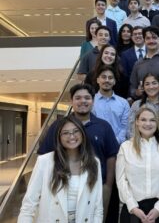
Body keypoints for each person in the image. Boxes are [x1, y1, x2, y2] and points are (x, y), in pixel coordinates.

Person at [37, 83, 119, 221]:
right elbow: (44, 155)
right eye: (78, 98)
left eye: (87, 98)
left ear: (93, 101)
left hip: (95, 186)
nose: (83, 101)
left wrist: (108, 186)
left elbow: (111, 157)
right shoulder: (58, 126)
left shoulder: (104, 126)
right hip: (63, 186)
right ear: (72, 101)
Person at [19, 116, 103, 222]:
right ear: (59, 137)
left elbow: (97, 207)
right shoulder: (45, 161)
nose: (72, 136)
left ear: (83, 134)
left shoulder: (94, 162)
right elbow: (29, 205)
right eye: (66, 133)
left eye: (76, 131)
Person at [116, 106, 159, 223]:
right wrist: (133, 207)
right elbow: (121, 180)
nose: (147, 124)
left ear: (158, 123)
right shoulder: (125, 147)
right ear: (137, 122)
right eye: (143, 120)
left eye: (152, 120)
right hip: (133, 212)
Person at [127, 73, 159, 138]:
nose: (151, 87)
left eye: (154, 83)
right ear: (143, 87)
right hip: (139, 143)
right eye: (147, 84)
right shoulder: (136, 105)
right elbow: (131, 129)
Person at [93, 65, 130, 144]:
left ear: (114, 82)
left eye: (110, 78)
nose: (107, 80)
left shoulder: (123, 103)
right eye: (103, 77)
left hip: (118, 146)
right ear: (98, 80)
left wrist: (115, 142)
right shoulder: (90, 101)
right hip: (95, 145)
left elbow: (125, 127)